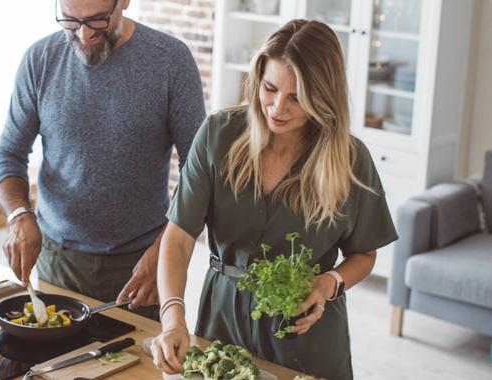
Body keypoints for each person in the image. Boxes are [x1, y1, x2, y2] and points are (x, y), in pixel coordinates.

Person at [150, 19, 397, 379]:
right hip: (223, 321)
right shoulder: (219, 135)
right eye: (270, 88)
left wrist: (328, 284)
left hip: (305, 332)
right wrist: (172, 315)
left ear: (322, 98)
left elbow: (364, 254)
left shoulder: (350, 159)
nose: (278, 107)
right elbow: (179, 237)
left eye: (297, 98)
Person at [0, 0, 206, 320]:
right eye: (71, 22)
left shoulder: (170, 61)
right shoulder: (40, 59)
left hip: (141, 263)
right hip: (57, 259)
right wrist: (19, 216)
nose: (84, 35)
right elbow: (8, 154)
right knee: (55, 365)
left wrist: (165, 250)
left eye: (97, 21)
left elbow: (199, 175)